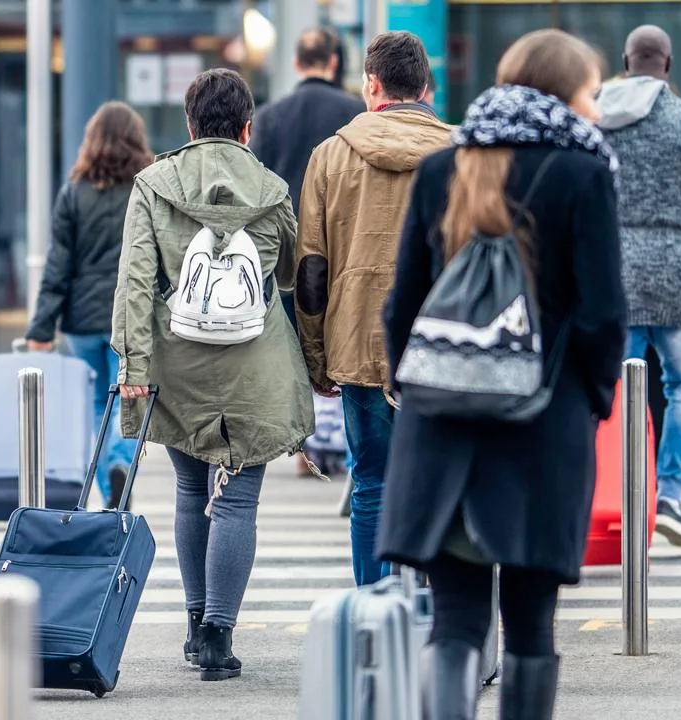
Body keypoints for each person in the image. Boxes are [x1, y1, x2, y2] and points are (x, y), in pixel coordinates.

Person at [378, 29, 626, 718]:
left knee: (454, 619)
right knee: (529, 623)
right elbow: (604, 313)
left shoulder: (439, 170)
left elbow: (402, 305)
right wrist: (593, 398)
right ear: (561, 95)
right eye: (590, 95)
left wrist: (419, 390)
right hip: (542, 427)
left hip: (443, 427)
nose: (597, 111)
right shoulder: (583, 175)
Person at [112, 68, 314, 682]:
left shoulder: (153, 185)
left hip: (178, 362)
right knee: (238, 501)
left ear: (190, 125)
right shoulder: (273, 188)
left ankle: (196, 624)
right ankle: (221, 637)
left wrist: (135, 366)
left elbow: (137, 284)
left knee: (190, 490)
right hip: (255, 363)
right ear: (248, 128)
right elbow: (285, 274)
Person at [294, 31, 451, 587]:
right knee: (443, 484)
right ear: (426, 87)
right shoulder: (462, 154)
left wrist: (317, 357)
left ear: (373, 84)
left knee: (372, 485)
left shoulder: (331, 155)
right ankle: (445, 619)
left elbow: (311, 270)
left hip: (359, 343)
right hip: (446, 346)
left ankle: (374, 614)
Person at [595, 25, 681, 548]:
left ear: (625, 61)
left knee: (610, 387)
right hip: (676, 272)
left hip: (614, 273)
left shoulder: (597, 119)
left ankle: (615, 491)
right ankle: (670, 496)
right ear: (669, 65)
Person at [25, 101, 152, 508]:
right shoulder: (146, 190)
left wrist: (41, 329)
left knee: (96, 404)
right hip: (130, 320)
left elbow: (57, 266)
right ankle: (120, 465)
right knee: (131, 401)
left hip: (80, 321)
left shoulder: (73, 194)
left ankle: (107, 486)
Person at [249, 27, 364, 477]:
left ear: (297, 63)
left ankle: (305, 448)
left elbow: (257, 184)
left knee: (298, 347)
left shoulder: (272, 116)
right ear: (334, 63)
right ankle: (347, 444)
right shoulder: (355, 113)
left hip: (289, 254)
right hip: (342, 246)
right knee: (342, 343)